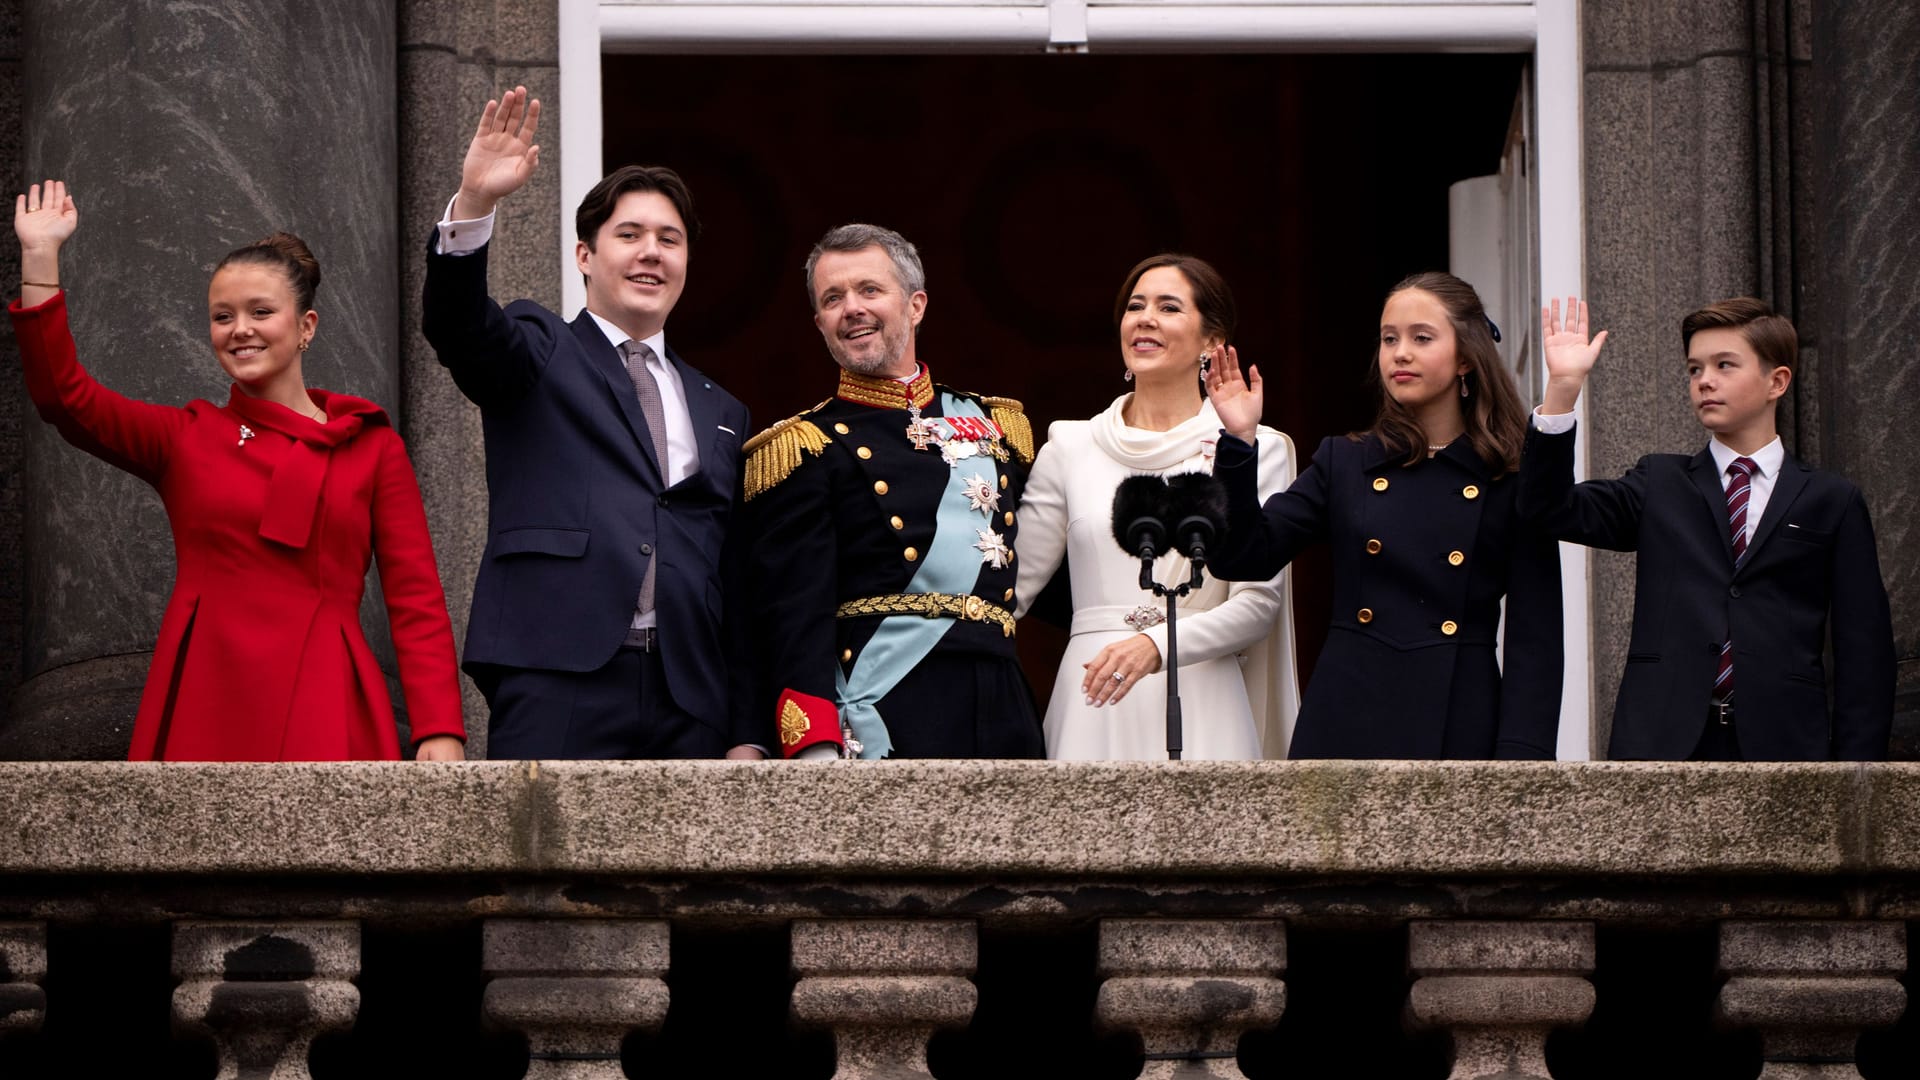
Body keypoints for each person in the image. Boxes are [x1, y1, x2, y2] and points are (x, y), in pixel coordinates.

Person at [9, 181, 465, 761]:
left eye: (261, 312)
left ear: (306, 327)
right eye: (222, 316)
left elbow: (416, 598)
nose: (240, 329)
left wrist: (438, 729)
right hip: (207, 690)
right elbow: (63, 397)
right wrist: (41, 257)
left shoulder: (371, 447)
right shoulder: (186, 438)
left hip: (329, 692)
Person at [422, 87, 762, 759]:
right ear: (585, 257)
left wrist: (747, 731)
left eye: (670, 240)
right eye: (629, 235)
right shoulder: (539, 348)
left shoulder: (722, 409)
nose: (651, 253)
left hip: (690, 695)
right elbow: (459, 329)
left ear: (686, 263)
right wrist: (476, 206)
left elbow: (737, 574)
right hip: (557, 676)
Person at [1205, 271, 1563, 759]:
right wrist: (1239, 443)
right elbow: (1242, 557)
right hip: (1346, 716)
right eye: (1389, 338)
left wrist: (1525, 763)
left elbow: (1535, 638)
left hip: (1460, 719)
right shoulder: (1345, 462)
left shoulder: (1509, 476)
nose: (1400, 353)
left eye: (1422, 338)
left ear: (1465, 357)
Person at [1521, 296, 1894, 760]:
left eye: (1724, 365)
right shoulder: (1659, 482)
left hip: (1788, 744)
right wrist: (1563, 388)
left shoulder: (1832, 500)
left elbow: (1865, 650)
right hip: (1662, 741)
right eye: (1695, 369)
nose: (1705, 382)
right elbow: (1547, 509)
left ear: (1777, 381)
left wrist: (1859, 776)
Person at [743, 223, 1043, 760]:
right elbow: (789, 615)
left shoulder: (995, 425)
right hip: (889, 711)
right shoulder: (807, 446)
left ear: (916, 305)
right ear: (820, 323)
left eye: (869, 290)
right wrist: (813, 742)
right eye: (832, 299)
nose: (851, 308)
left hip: (1002, 709)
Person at [1012, 254, 1299, 760]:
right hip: (1093, 698)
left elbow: (1258, 606)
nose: (1145, 318)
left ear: (1212, 341)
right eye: (1135, 306)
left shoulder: (1254, 446)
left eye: (1168, 307)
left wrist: (1155, 645)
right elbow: (1011, 592)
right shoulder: (1070, 446)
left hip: (1205, 694)